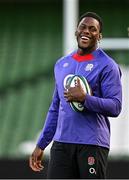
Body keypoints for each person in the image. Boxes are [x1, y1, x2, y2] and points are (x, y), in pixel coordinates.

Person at [29, 12, 122, 179]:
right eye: (83, 27)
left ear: (99, 36)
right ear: (76, 31)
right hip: (61, 144)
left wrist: (85, 98)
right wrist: (41, 144)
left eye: (92, 29)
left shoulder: (108, 66)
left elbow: (115, 106)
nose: (86, 31)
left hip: (92, 144)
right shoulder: (61, 64)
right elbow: (55, 108)